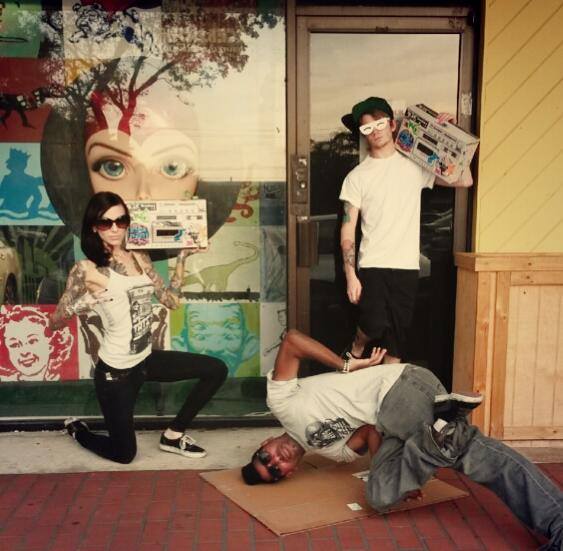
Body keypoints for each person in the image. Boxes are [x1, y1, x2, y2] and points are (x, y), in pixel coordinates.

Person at [241, 330, 563, 549]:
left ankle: (441, 434)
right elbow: (371, 432)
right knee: (379, 496)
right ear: (290, 473)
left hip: (401, 389)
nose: (277, 460)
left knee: (468, 455)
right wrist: (400, 476)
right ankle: (440, 430)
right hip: (390, 422)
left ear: (264, 444)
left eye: (266, 458)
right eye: (276, 470)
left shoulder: (280, 403)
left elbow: (293, 340)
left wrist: (346, 365)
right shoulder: (333, 453)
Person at [49, 191, 227, 464]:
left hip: (144, 360)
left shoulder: (139, 257)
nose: (114, 229)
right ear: (93, 227)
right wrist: (83, 303)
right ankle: (79, 432)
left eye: (121, 221)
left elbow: (170, 301)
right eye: (105, 223)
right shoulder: (86, 269)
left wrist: (182, 258)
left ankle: (173, 435)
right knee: (124, 454)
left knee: (216, 370)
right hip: (116, 373)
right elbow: (55, 322)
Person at [340, 97, 473, 363]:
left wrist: (452, 135)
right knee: (373, 324)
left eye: (379, 123)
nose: (375, 131)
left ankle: (388, 383)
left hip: (406, 265)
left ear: (392, 125)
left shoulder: (415, 165)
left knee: (397, 338)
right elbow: (347, 229)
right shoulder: (357, 176)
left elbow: (465, 180)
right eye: (367, 127)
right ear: (363, 133)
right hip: (373, 263)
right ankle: (356, 345)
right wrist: (350, 275)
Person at [0, 305, 74, 381]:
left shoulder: (63, 378)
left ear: (50, 345)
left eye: (32, 341)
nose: (24, 352)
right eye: (14, 345)